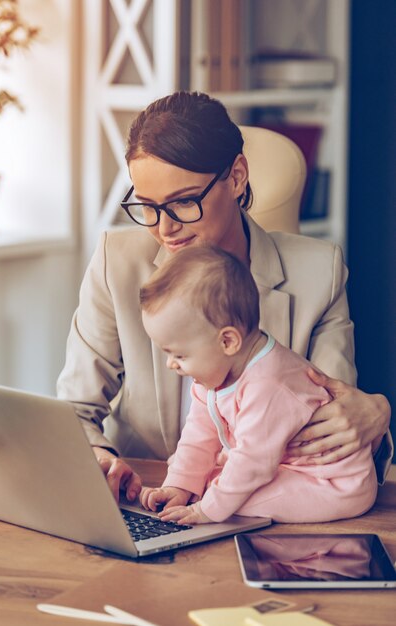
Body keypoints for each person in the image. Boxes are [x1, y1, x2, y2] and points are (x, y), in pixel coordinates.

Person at [57, 91, 392, 504]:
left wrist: (374, 412)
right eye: (147, 206)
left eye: (183, 202)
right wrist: (99, 455)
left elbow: (331, 430)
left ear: (236, 178)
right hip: (146, 500)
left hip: (259, 508)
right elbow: (74, 408)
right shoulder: (116, 263)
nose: (165, 228)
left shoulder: (317, 274)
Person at [139, 245, 377, 524]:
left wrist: (204, 510)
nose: (172, 364)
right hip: (281, 466)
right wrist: (179, 485)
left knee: (232, 497)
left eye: (179, 355)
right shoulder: (213, 373)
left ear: (228, 341)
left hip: (333, 483)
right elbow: (198, 435)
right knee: (212, 483)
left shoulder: (270, 383)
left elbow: (252, 462)